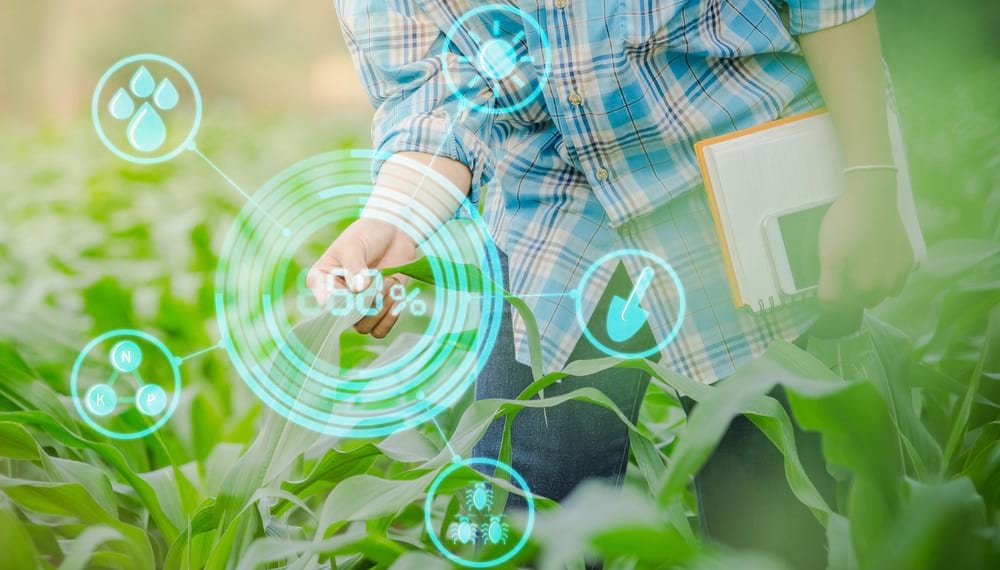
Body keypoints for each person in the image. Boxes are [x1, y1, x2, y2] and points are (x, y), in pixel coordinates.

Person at [312, 1, 913, 566]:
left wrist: (870, 177)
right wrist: (393, 221)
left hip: (739, 184)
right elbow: (435, 98)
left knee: (772, 510)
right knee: (508, 514)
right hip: (555, 205)